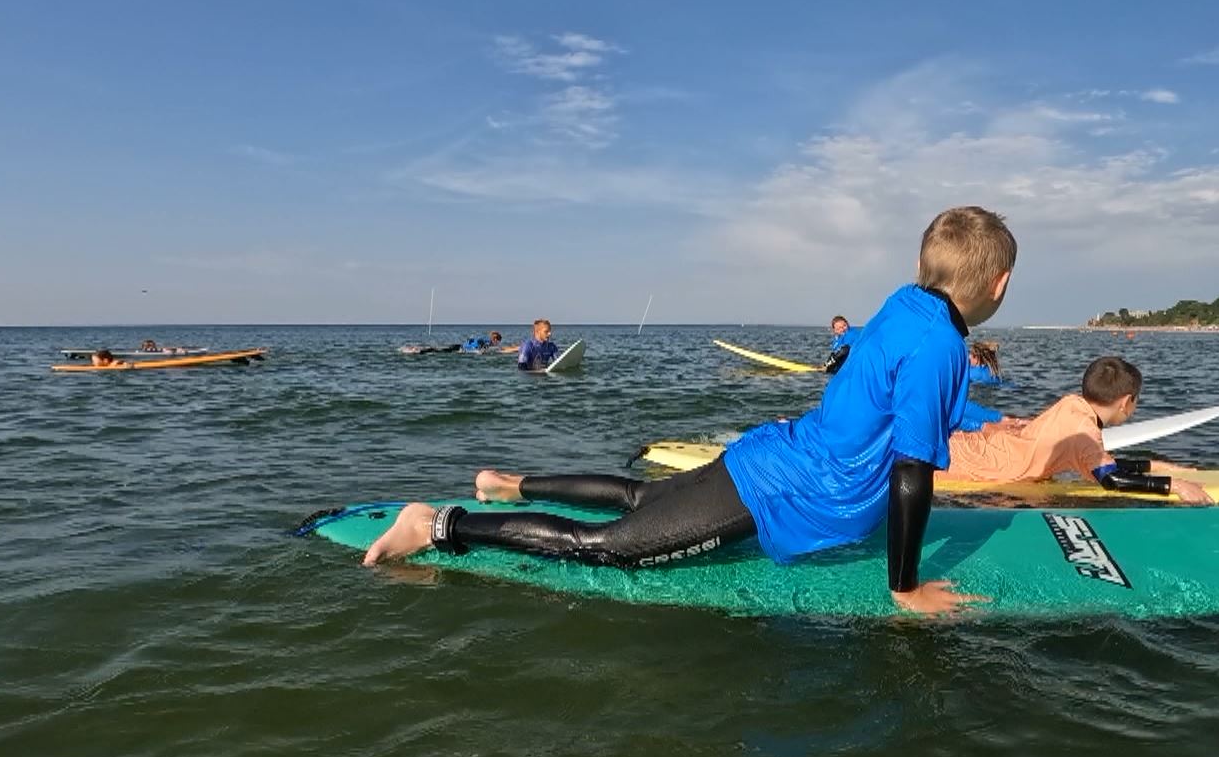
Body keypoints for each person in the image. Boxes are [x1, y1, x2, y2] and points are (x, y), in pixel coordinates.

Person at [363, 206, 1019, 615]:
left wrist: (977, 422)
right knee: (605, 548)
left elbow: (882, 398)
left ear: (922, 265)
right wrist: (905, 587)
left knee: (643, 498)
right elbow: (912, 471)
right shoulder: (942, 344)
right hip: (785, 491)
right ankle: (439, 526)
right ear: (1000, 285)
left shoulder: (907, 302)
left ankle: (507, 483)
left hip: (777, 452)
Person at [946, 356, 1212, 503]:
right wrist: (1174, 486)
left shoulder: (1072, 405)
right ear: (1126, 402)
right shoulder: (1084, 434)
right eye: (1137, 400)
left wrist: (1154, 465)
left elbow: (1098, 461)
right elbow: (1111, 479)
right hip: (969, 464)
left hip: (971, 446)